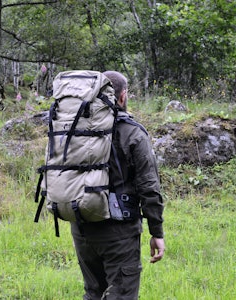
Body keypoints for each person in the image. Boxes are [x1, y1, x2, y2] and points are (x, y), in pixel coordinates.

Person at [70, 70, 165, 300]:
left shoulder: (75, 128)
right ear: (122, 97)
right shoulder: (133, 133)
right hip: (119, 233)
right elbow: (149, 187)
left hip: (82, 228)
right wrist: (156, 232)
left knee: (93, 292)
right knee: (122, 294)